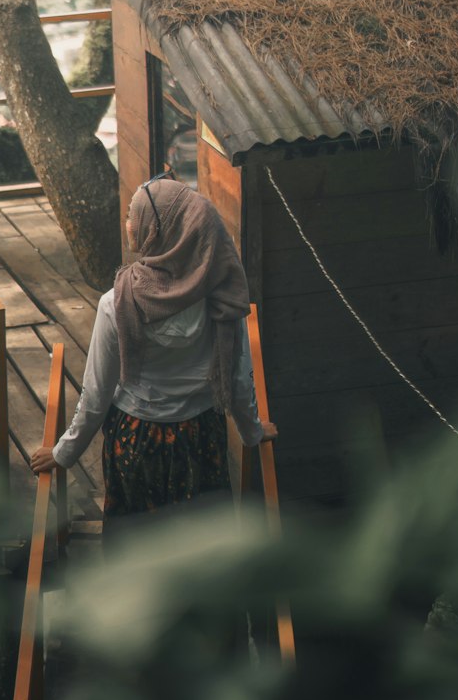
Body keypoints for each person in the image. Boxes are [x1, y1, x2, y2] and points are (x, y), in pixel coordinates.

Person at [30, 174, 277, 523]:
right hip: (200, 437)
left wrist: (63, 453)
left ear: (156, 232)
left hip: (136, 439)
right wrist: (253, 432)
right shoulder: (221, 294)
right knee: (201, 540)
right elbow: (237, 379)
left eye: (135, 215)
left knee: (138, 543)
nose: (128, 223)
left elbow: (96, 394)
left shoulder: (117, 302)